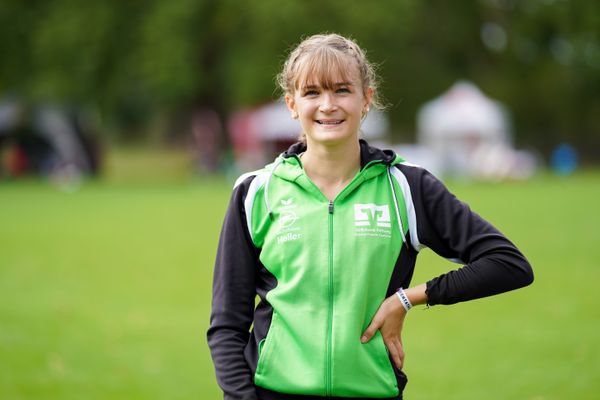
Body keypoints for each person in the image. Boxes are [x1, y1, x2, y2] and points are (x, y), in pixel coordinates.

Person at [207, 33, 533, 400]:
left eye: (342, 90)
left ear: (366, 100)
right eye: (312, 92)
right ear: (292, 104)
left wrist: (408, 298)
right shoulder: (256, 191)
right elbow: (227, 325)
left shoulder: (407, 187)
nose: (328, 105)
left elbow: (508, 263)